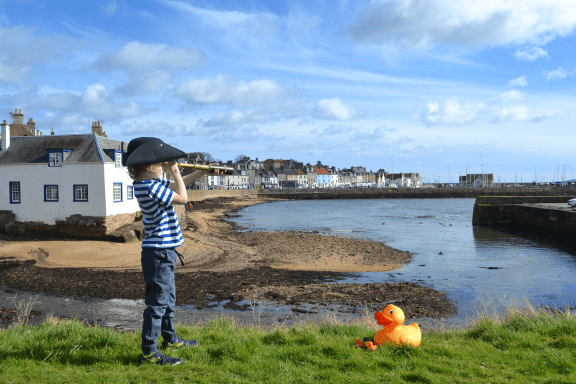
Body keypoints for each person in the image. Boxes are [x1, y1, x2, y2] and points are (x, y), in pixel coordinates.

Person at [123, 137, 217, 366]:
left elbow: (179, 184)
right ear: (147, 166)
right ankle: (149, 353)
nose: (163, 167)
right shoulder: (150, 187)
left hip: (165, 252)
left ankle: (170, 338)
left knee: (168, 300)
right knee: (157, 303)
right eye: (160, 164)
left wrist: (201, 173)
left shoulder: (149, 184)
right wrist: (174, 170)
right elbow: (182, 197)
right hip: (158, 253)